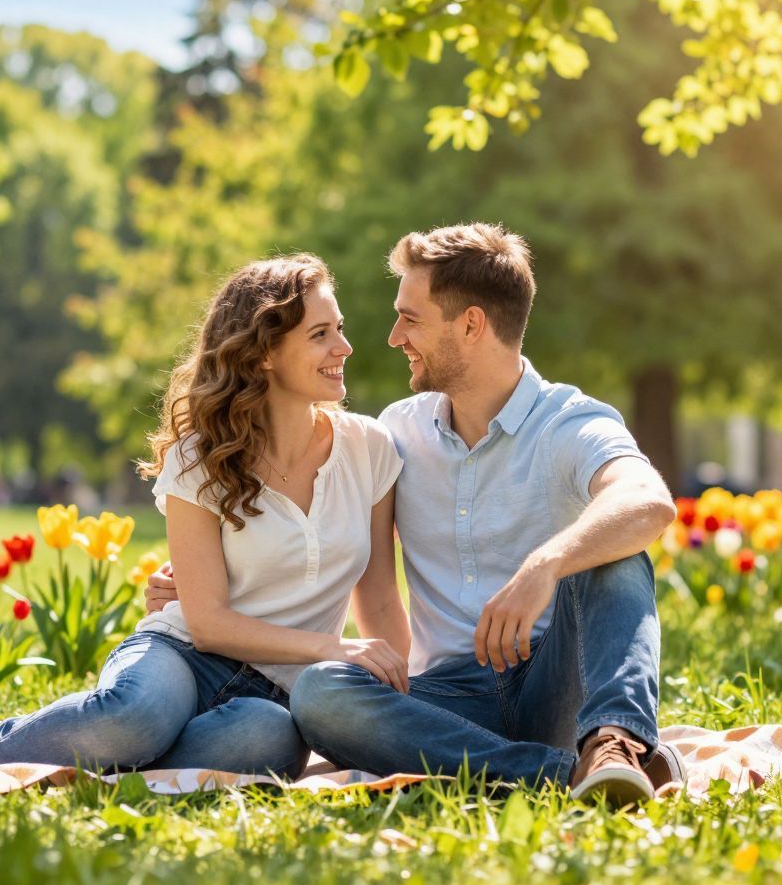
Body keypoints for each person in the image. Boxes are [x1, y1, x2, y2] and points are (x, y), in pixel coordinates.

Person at [151, 224, 681, 805]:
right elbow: (327, 536)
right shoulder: (396, 433)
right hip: (447, 699)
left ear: (471, 324)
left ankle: (615, 746)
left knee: (617, 556)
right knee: (322, 694)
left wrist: (545, 565)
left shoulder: (569, 422)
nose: (393, 336)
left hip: (556, 686)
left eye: (411, 318)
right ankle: (561, 775)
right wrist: (197, 586)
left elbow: (647, 502)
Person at [0, 255, 408, 777]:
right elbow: (207, 624)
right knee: (134, 716)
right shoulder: (203, 456)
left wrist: (397, 701)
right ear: (265, 352)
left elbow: (381, 595)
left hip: (280, 696)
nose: (344, 347)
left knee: (265, 740)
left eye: (338, 328)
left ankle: (94, 761)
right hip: (181, 656)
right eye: (320, 334)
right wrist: (330, 647)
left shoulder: (369, 448)